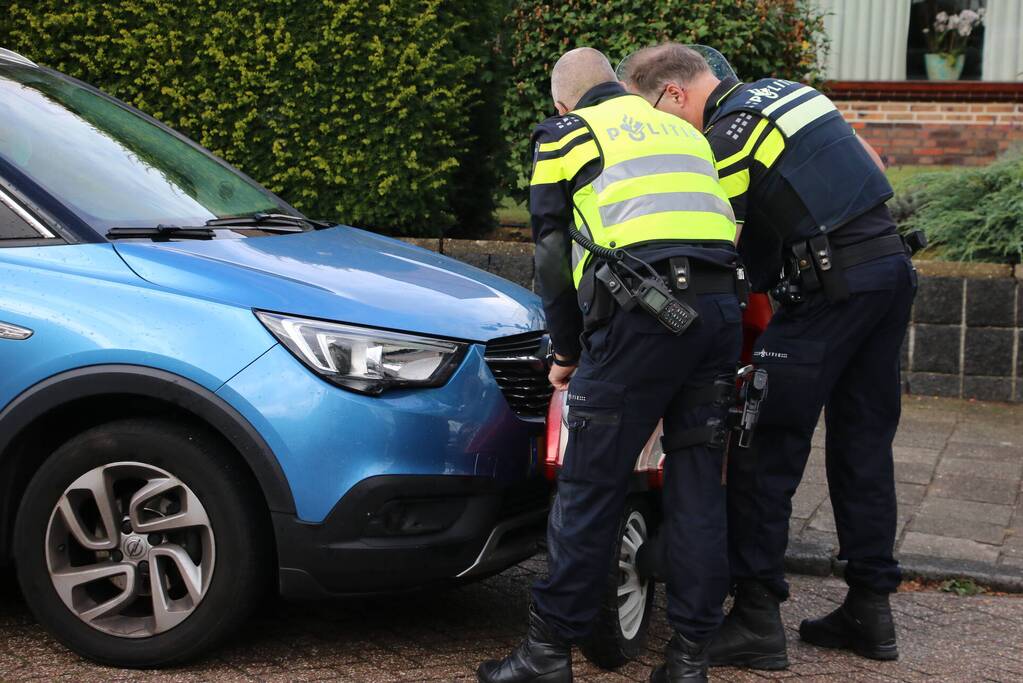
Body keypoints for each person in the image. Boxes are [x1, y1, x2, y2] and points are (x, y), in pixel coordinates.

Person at [621, 44, 918, 670]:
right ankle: (871, 608)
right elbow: (869, 160)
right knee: (863, 443)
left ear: (673, 94)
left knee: (761, 446)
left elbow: (716, 251)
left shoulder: (727, 138)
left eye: (654, 111)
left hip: (828, 290)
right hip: (889, 270)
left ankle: (757, 618)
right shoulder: (790, 92)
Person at [476, 47, 743, 683]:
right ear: (623, 87)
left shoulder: (567, 134)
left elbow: (548, 251)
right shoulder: (685, 131)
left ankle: (546, 654)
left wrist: (565, 353)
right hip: (718, 315)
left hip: (643, 321)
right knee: (699, 485)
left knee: (589, 485)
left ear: (562, 102)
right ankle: (688, 661)